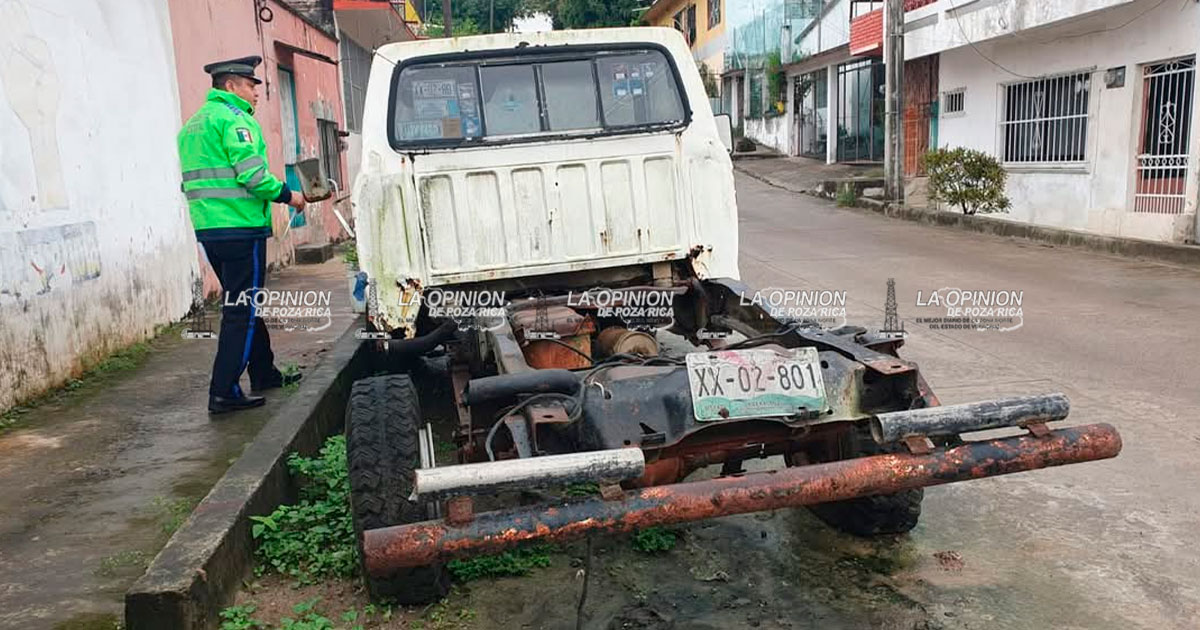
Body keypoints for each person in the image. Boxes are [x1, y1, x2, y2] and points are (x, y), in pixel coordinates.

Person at [178, 55, 306, 414]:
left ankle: (263, 371)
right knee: (241, 310)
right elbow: (253, 176)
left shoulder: (193, 125)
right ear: (231, 85)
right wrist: (289, 194)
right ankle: (224, 391)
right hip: (240, 227)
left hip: (210, 229)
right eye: (251, 85)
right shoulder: (235, 122)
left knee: (244, 302)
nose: (255, 93)